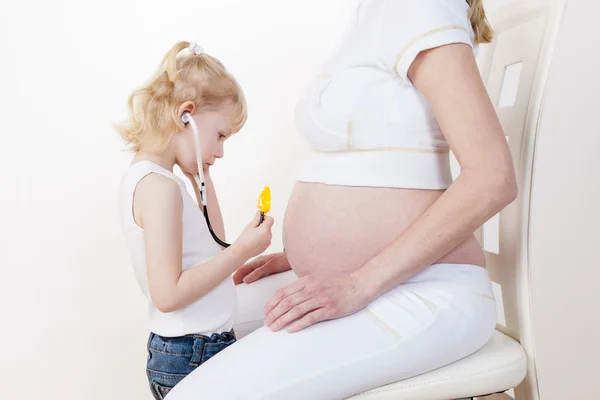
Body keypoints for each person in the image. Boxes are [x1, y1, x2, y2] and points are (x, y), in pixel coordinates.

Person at [168, 0, 517, 398]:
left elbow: (493, 178)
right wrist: (309, 254)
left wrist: (357, 282)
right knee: (187, 328)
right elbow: (385, 155)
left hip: (425, 291)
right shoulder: (374, 12)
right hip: (379, 276)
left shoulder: (420, 5)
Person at [116, 41, 274, 400]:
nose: (220, 150)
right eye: (220, 136)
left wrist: (201, 177)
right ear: (185, 115)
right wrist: (244, 251)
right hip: (193, 355)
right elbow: (168, 294)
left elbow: (214, 240)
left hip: (194, 350)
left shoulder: (159, 180)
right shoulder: (158, 188)